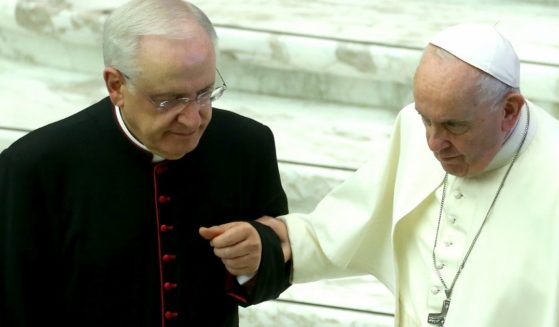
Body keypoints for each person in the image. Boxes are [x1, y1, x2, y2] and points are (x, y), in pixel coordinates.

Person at [0, 0, 290, 326]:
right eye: (169, 99)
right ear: (116, 86)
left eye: (205, 93)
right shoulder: (35, 167)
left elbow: (279, 268)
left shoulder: (246, 145)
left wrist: (257, 259)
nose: (193, 119)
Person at [253, 23, 559, 326]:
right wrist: (277, 243)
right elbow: (351, 223)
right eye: (425, 119)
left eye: (454, 126)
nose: (433, 143)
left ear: (508, 111)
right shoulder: (412, 129)